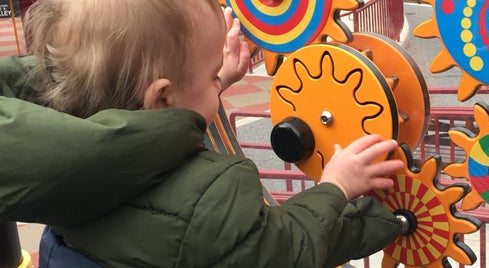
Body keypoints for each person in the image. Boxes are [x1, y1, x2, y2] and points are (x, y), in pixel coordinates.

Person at [0, 0, 404, 267]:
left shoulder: (63, 172)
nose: (219, 86)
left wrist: (214, 80)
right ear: (162, 98)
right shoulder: (209, 196)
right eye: (213, 78)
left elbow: (144, 137)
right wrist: (337, 187)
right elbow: (286, 250)